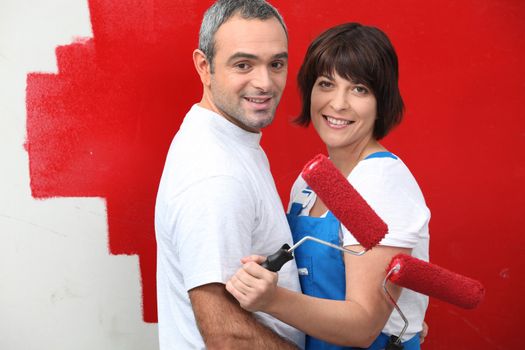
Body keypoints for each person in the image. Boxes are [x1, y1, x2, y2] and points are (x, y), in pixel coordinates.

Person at [226, 22, 430, 349]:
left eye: (359, 89)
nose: (337, 103)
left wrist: (271, 299)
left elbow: (364, 326)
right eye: (326, 84)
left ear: (382, 100)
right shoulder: (309, 182)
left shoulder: (381, 183)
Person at [154, 0, 304, 349]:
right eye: (243, 64)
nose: (265, 82)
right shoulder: (216, 175)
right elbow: (227, 335)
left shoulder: (228, 139)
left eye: (276, 64)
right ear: (204, 67)